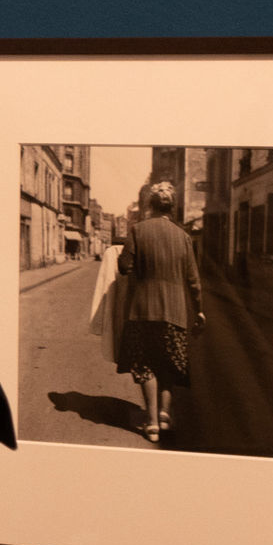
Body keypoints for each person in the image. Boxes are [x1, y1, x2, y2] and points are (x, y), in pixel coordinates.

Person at [115, 182, 205, 444]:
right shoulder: (184, 237)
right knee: (168, 365)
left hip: (142, 312)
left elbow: (124, 266)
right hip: (175, 313)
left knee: (145, 366)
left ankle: (152, 424)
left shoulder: (138, 230)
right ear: (172, 207)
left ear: (150, 205)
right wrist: (199, 311)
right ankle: (165, 415)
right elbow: (194, 281)